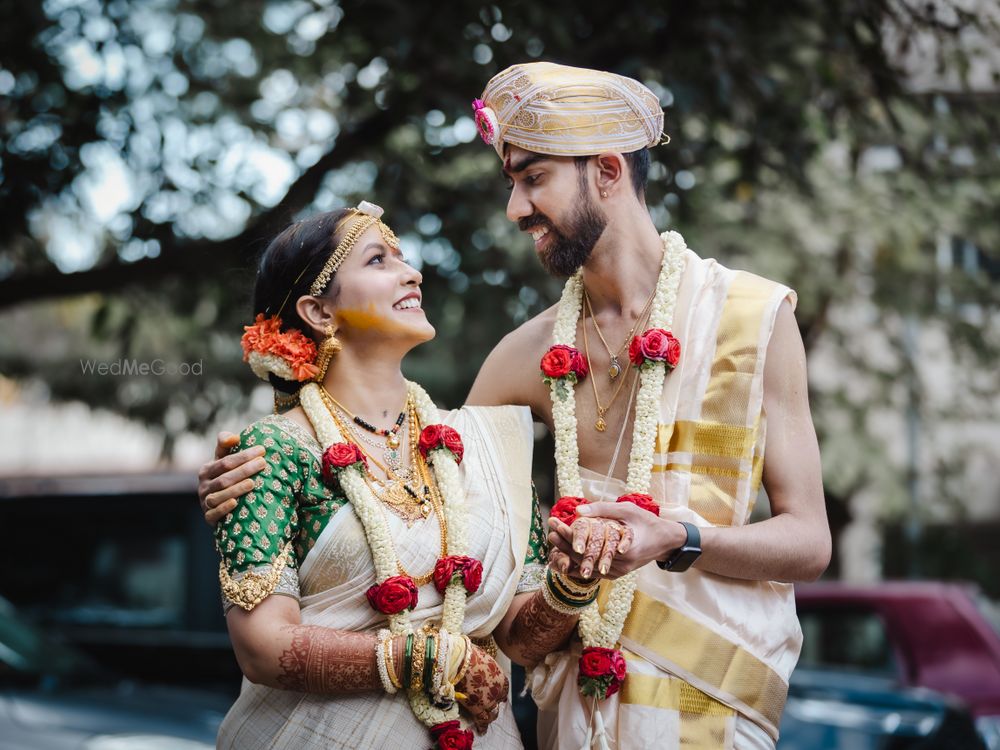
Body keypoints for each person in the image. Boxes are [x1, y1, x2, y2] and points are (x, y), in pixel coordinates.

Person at [200, 63, 831, 750]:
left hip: (712, 698)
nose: (516, 209)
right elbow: (446, 512)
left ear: (609, 172)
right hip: (574, 713)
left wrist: (677, 538)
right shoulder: (522, 354)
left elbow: (809, 542)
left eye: (533, 178)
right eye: (511, 183)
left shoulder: (752, 317)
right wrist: (253, 474)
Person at [204, 202, 600, 750]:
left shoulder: (480, 448)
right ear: (320, 312)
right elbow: (262, 649)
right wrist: (432, 659)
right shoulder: (275, 452)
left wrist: (574, 579)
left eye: (403, 257)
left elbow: (519, 640)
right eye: (377, 260)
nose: (411, 272)